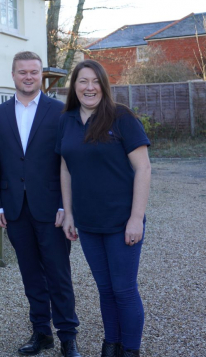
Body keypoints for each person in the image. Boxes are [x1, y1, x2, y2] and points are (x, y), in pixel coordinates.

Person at [0, 51, 82, 357]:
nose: (28, 76)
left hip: (51, 207)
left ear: (40, 75)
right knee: (30, 274)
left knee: (58, 274)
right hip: (14, 208)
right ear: (13, 75)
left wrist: (64, 205)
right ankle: (42, 333)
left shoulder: (60, 111)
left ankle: (68, 336)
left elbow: (69, 160)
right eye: (22, 72)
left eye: (33, 72)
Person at [57, 60, 151, 357]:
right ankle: (111, 345)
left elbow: (144, 168)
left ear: (104, 86)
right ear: (74, 87)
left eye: (95, 81)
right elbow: (65, 169)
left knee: (123, 290)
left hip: (121, 222)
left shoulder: (121, 117)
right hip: (88, 223)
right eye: (83, 81)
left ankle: (131, 350)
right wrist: (69, 213)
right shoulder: (67, 120)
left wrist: (136, 218)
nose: (89, 87)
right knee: (105, 289)